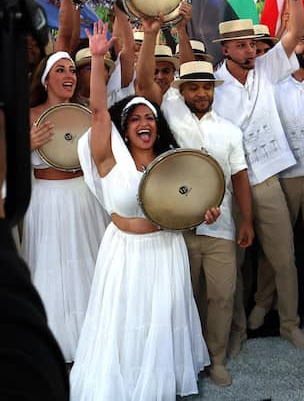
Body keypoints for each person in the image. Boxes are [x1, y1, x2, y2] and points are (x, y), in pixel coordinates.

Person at [71, 21, 215, 399]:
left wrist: (206, 213)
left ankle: (158, 385)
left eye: (149, 117)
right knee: (125, 323)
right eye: (134, 118)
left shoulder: (170, 162)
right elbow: (99, 111)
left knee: (160, 321)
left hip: (165, 252)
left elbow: (193, 201)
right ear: (124, 127)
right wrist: (99, 58)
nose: (143, 122)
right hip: (124, 254)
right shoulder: (109, 159)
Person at [135, 17, 256, 387]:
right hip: (175, 227)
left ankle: (216, 358)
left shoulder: (229, 131)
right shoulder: (169, 113)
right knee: (183, 297)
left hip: (220, 227)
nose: (201, 93)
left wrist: (246, 221)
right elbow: (142, 84)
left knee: (222, 296)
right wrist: (164, 30)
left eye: (207, 87)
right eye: (194, 88)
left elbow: (240, 178)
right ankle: (186, 358)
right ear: (182, 90)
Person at [211, 2, 304, 352]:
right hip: (228, 185)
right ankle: (237, 331)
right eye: (240, 45)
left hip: (267, 179)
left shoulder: (266, 70)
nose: (250, 49)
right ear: (225, 49)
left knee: (284, 258)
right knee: (235, 265)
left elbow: (295, 32)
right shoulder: (211, 85)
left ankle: (289, 324)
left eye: (252, 44)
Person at [25, 51, 108, 362]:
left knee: (88, 264)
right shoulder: (28, 115)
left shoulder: (86, 112)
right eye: (60, 70)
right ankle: (56, 345)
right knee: (52, 268)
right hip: (46, 201)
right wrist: (27, 145)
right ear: (47, 80)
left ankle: (93, 338)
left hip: (84, 197)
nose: (68, 75)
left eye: (72, 69)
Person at [259, 22, 304, 335]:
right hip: (284, 175)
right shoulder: (271, 83)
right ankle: (263, 302)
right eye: (302, 41)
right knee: (275, 247)